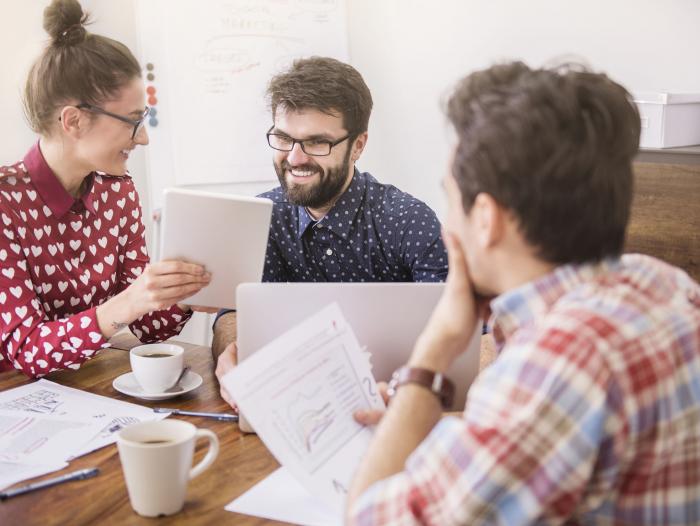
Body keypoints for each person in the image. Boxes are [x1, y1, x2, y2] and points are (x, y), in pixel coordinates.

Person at [346, 62, 700, 524]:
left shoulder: (560, 363)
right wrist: (436, 424)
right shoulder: (664, 283)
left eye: (449, 198)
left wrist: (431, 356)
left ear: (486, 219)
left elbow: (368, 518)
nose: (447, 221)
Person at [213, 57, 448, 406]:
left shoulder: (408, 221)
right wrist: (232, 354)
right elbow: (232, 312)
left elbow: (472, 335)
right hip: (290, 405)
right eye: (283, 138)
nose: (294, 158)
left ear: (358, 146)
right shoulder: (263, 216)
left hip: (396, 411)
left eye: (317, 143)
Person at [0, 0, 212, 378]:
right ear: (74, 121)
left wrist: (181, 291)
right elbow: (27, 351)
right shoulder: (5, 203)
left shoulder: (119, 191)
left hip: (88, 391)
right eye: (132, 121)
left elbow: (150, 329)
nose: (143, 138)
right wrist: (128, 302)